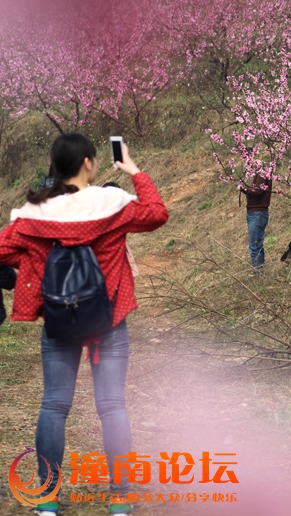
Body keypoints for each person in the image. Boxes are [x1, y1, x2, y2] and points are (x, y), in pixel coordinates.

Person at [0, 133, 168, 516]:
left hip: (59, 323)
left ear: (55, 169)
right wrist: (134, 170)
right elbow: (157, 213)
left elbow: (3, 248)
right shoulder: (112, 206)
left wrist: (37, 259)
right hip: (107, 320)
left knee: (54, 405)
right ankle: (120, 498)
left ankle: (46, 499)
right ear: (90, 163)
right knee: (112, 406)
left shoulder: (34, 218)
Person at [239, 169, 272, 270]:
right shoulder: (260, 172)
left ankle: (258, 273)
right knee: (257, 245)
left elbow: (257, 191)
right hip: (256, 212)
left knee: (255, 246)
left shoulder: (262, 172)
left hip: (257, 213)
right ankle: (259, 271)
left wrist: (243, 188)